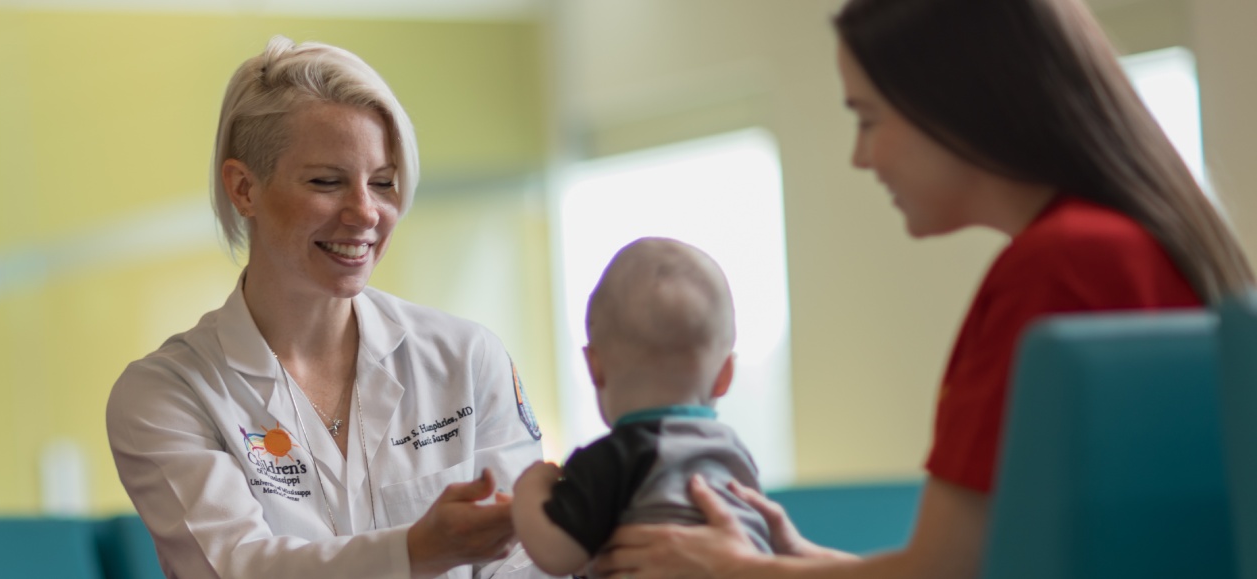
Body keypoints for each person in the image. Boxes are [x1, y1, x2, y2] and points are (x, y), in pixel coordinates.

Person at [591, 0, 1255, 577]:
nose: (861, 156)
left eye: (868, 118)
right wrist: (788, 561)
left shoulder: (1057, 266)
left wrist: (736, 572)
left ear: (954, 102)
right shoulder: (1127, 244)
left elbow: (941, 574)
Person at [104, 36, 549, 578]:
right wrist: (419, 549)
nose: (365, 213)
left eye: (383, 183)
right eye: (326, 182)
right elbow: (233, 568)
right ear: (244, 188)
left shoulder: (466, 357)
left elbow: (527, 562)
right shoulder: (168, 392)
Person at [512, 238, 775, 577]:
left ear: (595, 367)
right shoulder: (734, 454)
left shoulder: (612, 460)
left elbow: (556, 553)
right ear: (725, 375)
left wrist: (530, 487)